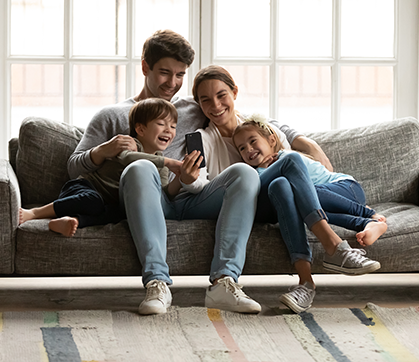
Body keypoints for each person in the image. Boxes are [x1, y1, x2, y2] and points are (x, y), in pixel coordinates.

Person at [68, 30, 332, 315]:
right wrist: (103, 150)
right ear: (145, 67)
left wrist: (302, 141)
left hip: (195, 194)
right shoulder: (114, 115)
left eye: (180, 75)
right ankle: (157, 283)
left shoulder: (195, 108)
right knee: (141, 166)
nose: (172, 83)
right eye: (164, 73)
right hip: (150, 198)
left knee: (244, 172)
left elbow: (245, 119)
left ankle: (224, 283)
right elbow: (73, 167)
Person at [189, 65, 381, 314]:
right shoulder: (203, 139)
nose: (215, 105)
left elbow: (292, 167)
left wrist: (306, 144)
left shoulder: (261, 126)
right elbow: (203, 187)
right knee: (289, 163)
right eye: (205, 100)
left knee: (282, 182)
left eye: (221, 95)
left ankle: (305, 284)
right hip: (250, 202)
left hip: (277, 195)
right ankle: (335, 246)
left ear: (235, 92)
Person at [18, 98, 185, 237]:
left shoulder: (161, 162)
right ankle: (34, 213)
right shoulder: (130, 143)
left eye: (173, 126)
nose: (168, 130)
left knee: (116, 215)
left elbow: (162, 193)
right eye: (162, 124)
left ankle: (72, 221)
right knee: (92, 201)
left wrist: (180, 178)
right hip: (87, 188)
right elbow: (128, 158)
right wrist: (170, 163)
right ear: (140, 128)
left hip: (109, 202)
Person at [233, 116, 388, 247]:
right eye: (242, 148)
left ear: (272, 140)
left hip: (346, 187)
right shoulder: (257, 175)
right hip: (322, 202)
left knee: (306, 194)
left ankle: (369, 213)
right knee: (308, 212)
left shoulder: (285, 157)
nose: (248, 149)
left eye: (253, 141)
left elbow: (301, 187)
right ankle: (365, 224)